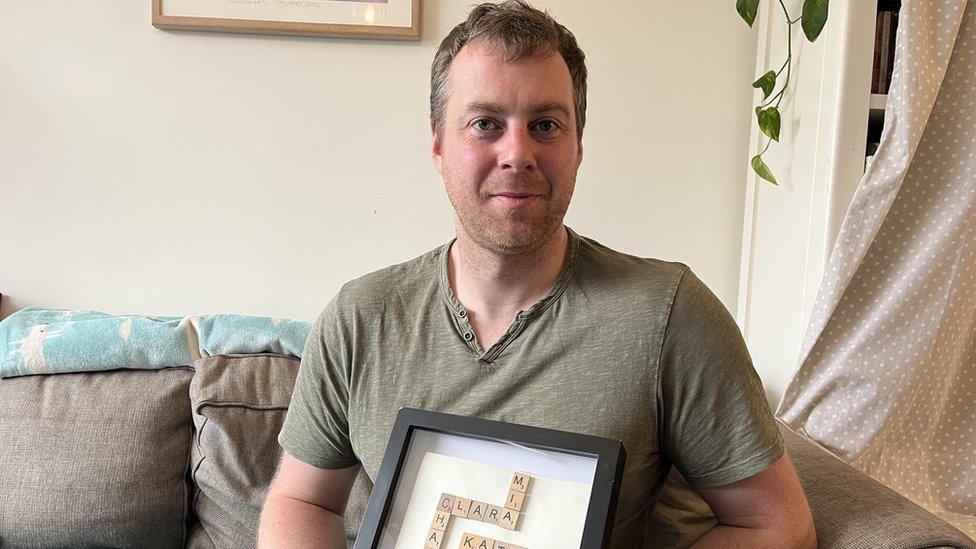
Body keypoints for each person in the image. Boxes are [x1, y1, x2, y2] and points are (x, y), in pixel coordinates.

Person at [258, 2, 816, 547]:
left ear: (577, 147)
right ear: (438, 144)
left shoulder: (669, 316)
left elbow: (776, 525)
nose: (517, 152)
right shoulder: (360, 318)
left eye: (546, 125)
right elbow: (301, 502)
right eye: (485, 124)